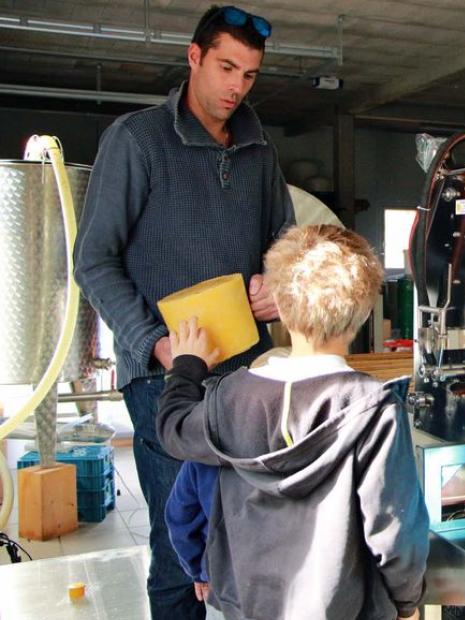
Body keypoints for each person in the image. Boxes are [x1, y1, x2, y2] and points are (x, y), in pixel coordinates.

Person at [73, 6, 294, 618]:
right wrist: (156, 344)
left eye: (249, 75)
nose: (235, 86)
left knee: (253, 537)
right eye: (226, 67)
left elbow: (286, 243)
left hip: (245, 377)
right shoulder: (138, 139)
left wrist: (279, 281)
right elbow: (93, 259)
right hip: (164, 379)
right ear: (194, 57)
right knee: (181, 545)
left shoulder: (258, 149)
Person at [155, 225, 429, 620]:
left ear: (279, 305)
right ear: (364, 311)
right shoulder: (374, 408)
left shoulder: (229, 397)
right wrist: (406, 602)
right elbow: (393, 526)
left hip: (250, 606)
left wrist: (188, 366)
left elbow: (173, 428)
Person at [165, 462, 223, 620]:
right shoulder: (293, 451)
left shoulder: (202, 455)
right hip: (287, 584)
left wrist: (199, 571)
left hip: (223, 583)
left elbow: (180, 521)